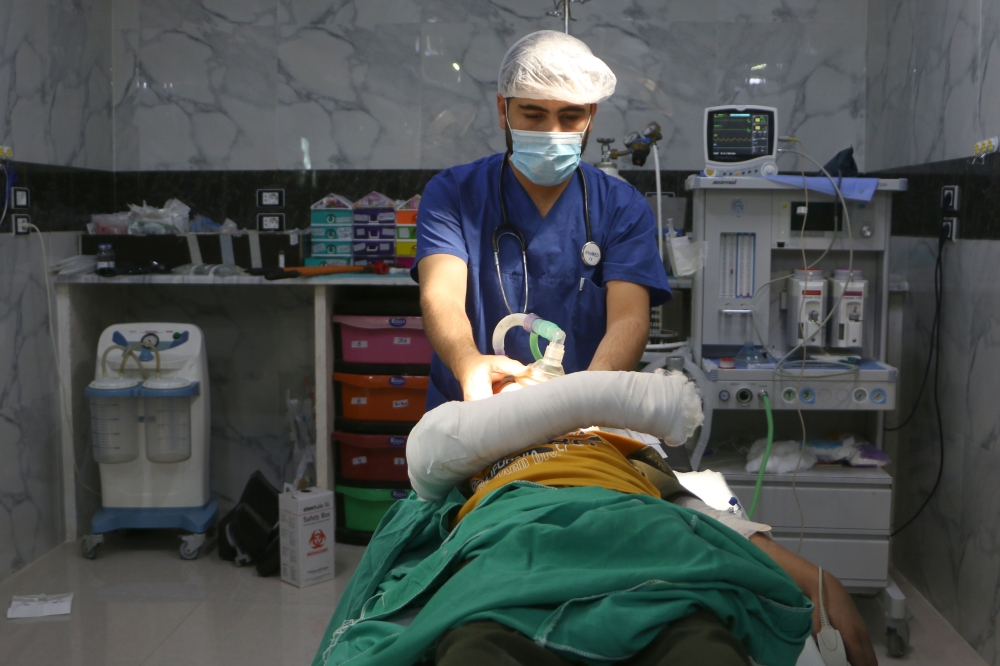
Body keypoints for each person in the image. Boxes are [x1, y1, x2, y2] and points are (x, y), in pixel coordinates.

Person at [414, 30, 671, 409]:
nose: (552, 133)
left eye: (570, 117)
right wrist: (468, 364)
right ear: (502, 110)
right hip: (469, 411)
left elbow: (629, 319)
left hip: (579, 418)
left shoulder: (620, 206)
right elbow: (441, 295)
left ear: (591, 116)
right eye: (533, 115)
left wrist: (586, 399)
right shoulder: (453, 194)